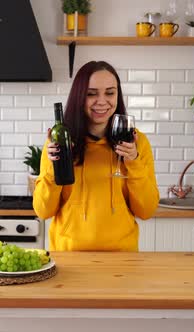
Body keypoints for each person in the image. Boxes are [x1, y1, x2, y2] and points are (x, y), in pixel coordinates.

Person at [33, 61, 159, 251]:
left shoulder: (137, 142)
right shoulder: (60, 141)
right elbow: (43, 211)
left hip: (122, 258)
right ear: (79, 97)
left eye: (110, 92)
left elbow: (147, 211)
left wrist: (133, 162)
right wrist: (53, 167)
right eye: (91, 94)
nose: (102, 101)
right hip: (69, 257)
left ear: (118, 95)